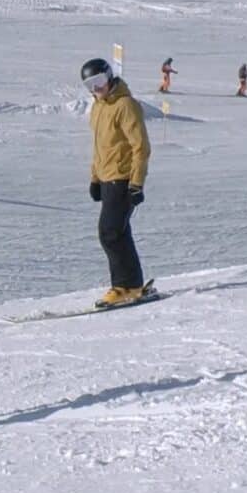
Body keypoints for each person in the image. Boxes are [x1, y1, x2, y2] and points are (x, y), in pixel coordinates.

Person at [81, 58, 151, 309]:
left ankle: (124, 287)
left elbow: (140, 147)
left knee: (109, 233)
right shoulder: (99, 107)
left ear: (109, 77)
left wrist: (136, 183)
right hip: (107, 178)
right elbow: (100, 147)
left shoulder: (125, 105)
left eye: (98, 82)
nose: (95, 89)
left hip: (123, 179)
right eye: (89, 85)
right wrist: (95, 178)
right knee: (118, 232)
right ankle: (133, 285)